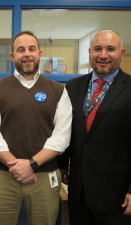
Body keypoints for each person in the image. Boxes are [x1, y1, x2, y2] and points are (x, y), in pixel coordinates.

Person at [0, 30, 72, 225]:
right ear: (13, 56)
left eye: (31, 49)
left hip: (44, 177)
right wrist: (17, 166)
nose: (27, 54)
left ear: (40, 53)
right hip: (3, 176)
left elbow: (61, 137)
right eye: (21, 50)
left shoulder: (58, 91)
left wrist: (30, 165)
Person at [58, 29, 131, 225]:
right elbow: (67, 129)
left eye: (111, 49)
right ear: (89, 52)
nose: (103, 55)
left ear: (122, 53)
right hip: (78, 190)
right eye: (97, 49)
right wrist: (62, 166)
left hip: (116, 194)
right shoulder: (72, 87)